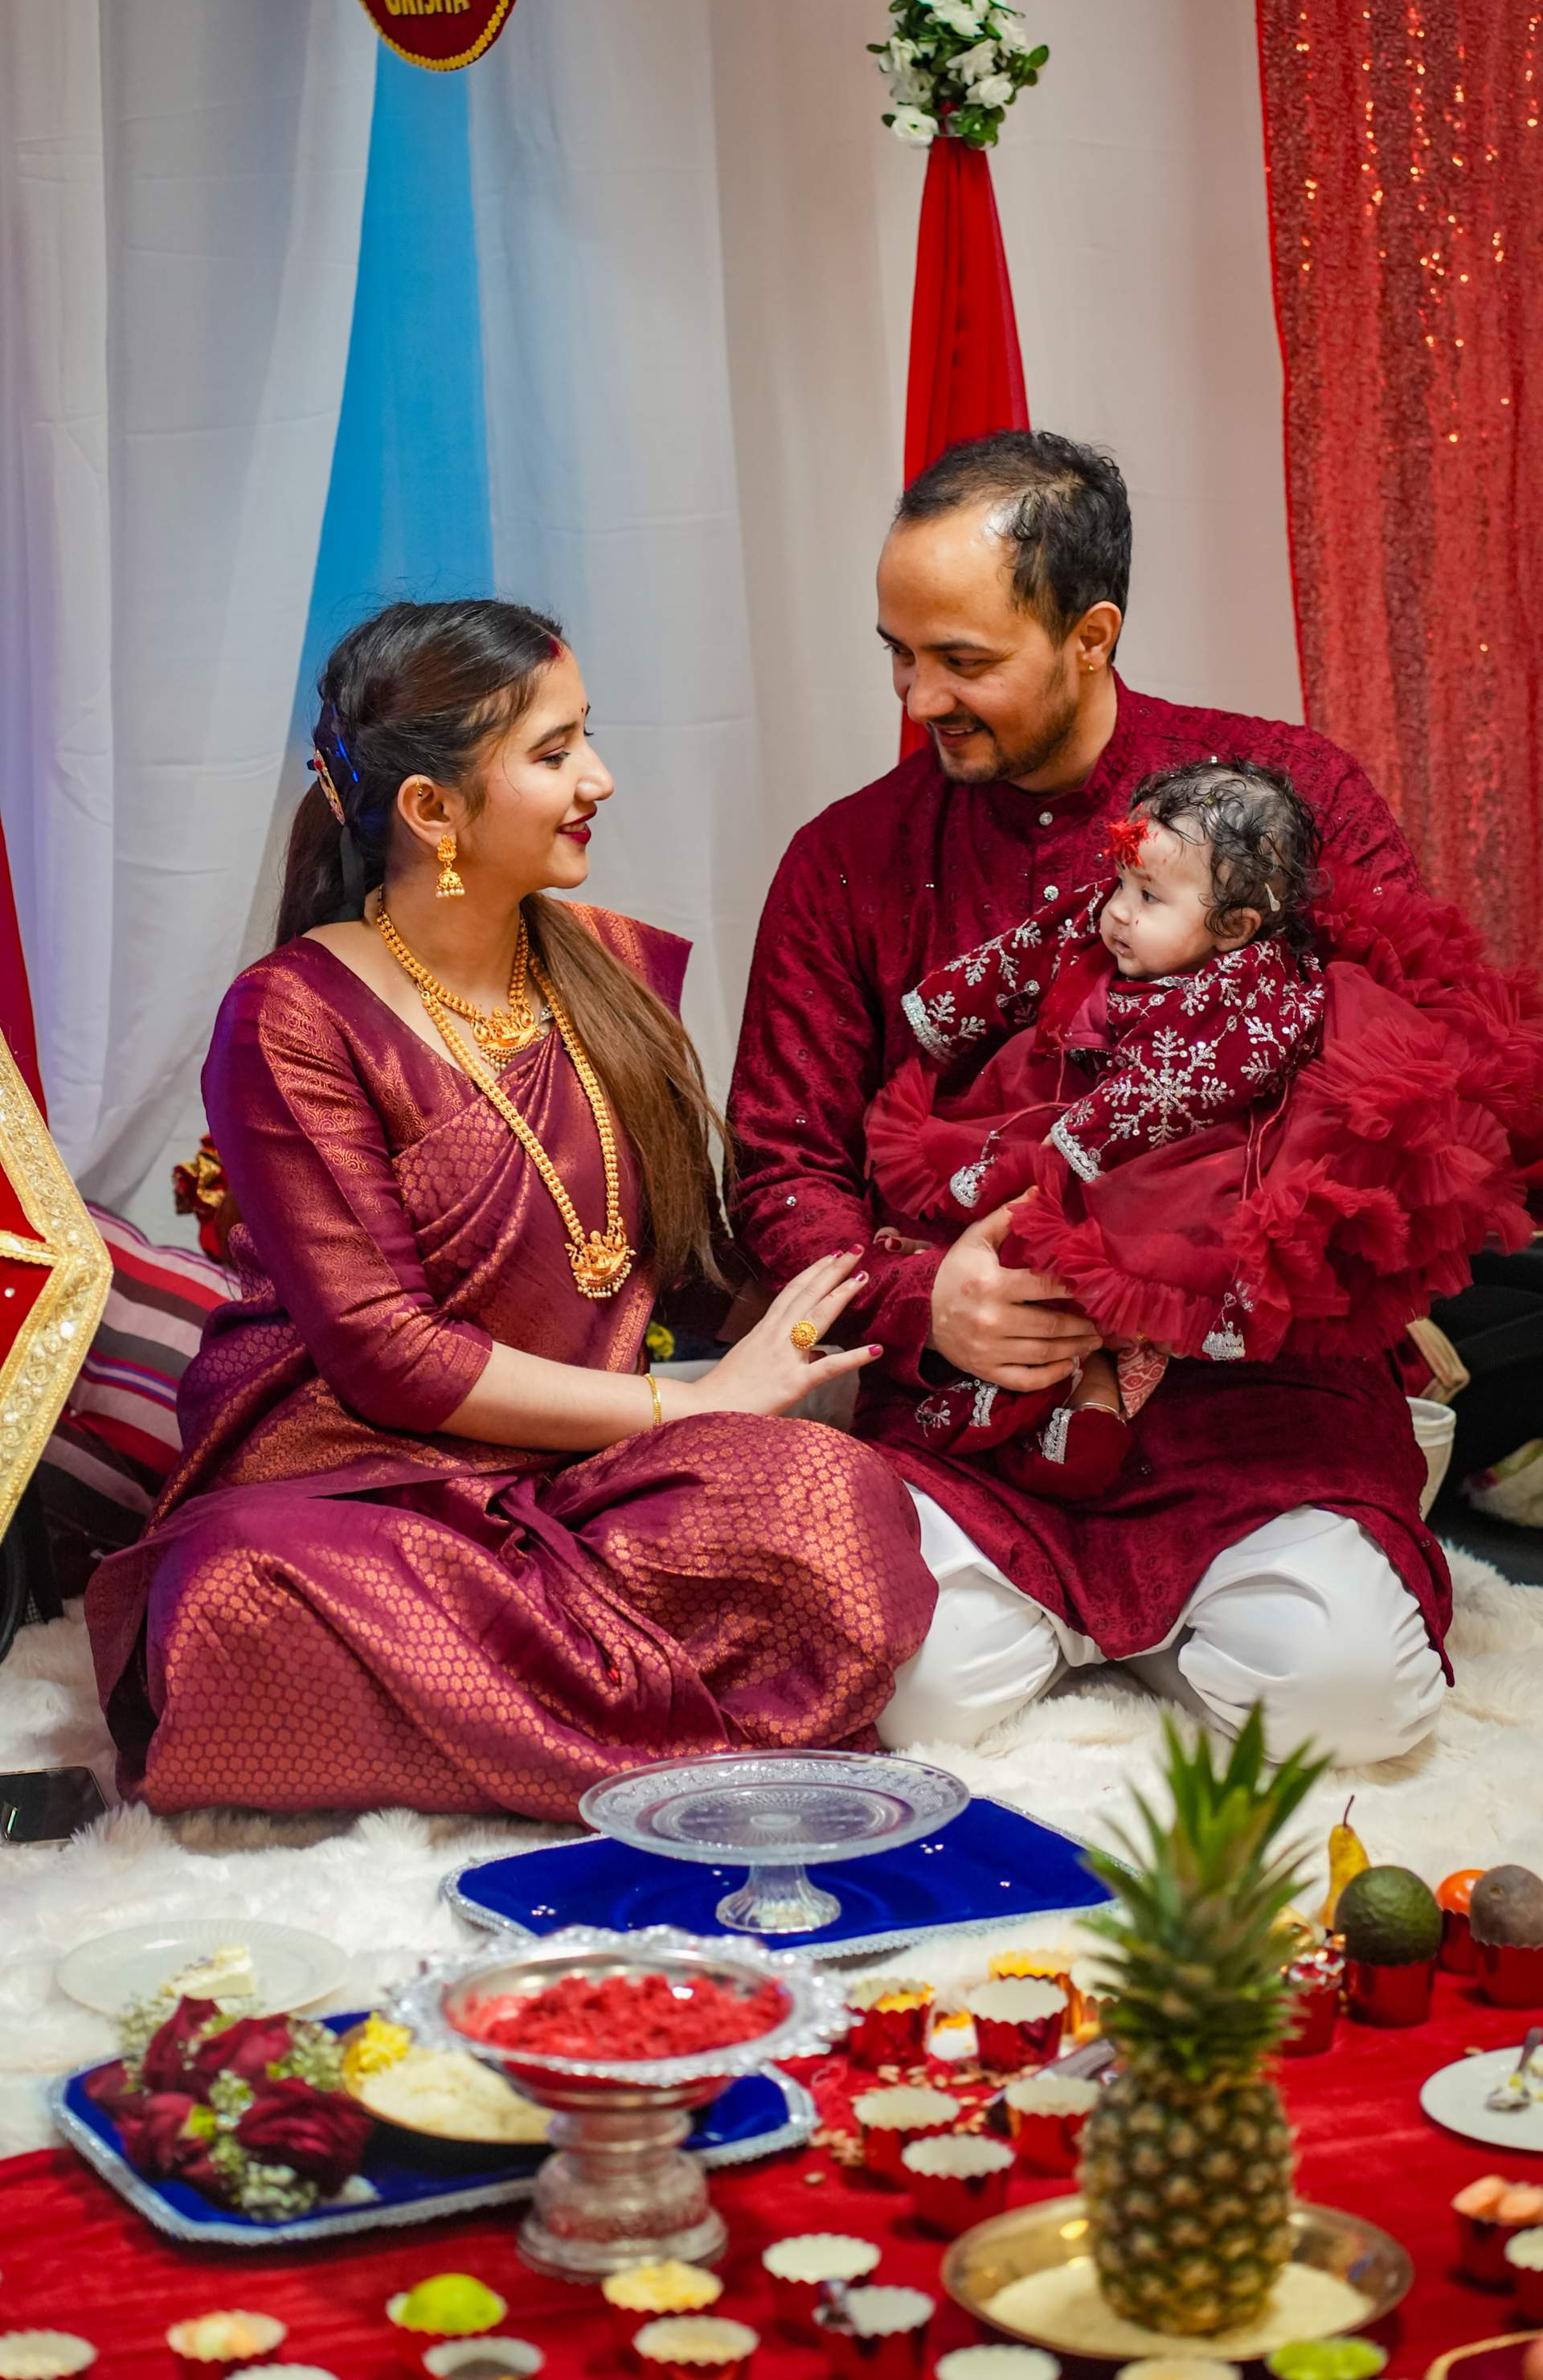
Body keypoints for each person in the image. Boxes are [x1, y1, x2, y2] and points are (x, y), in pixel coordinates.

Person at [728, 430, 1540, 1768]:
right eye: (900, 651)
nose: (919, 696)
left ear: (1091, 634)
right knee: (902, 1702)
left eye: (965, 662)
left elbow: (1426, 1059)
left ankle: (1187, 1616)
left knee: (1352, 1708)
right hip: (977, 1417)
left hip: (1258, 1407)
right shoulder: (844, 863)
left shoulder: (1289, 797)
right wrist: (933, 1301)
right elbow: (778, 1171)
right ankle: (1093, 1620)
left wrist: (1231, 1236)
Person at [86, 600, 935, 1818]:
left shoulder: (605, 963)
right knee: (230, 1592)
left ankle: (493, 1729)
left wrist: (894, 1274)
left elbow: (677, 1263)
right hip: (365, 1484)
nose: (598, 778)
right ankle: (661, 1742)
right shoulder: (291, 1015)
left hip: (591, 1478)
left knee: (836, 1499)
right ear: (431, 809)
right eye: (552, 753)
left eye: (585, 737)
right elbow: (389, 1359)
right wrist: (687, 1399)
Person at [863, 757, 1536, 1493]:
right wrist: (950, 1011)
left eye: (1147, 896)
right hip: (1070, 1098)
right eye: (1120, 882)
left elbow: (1191, 1080)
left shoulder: (1261, 991)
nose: (1117, 911)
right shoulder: (1113, 927)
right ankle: (1041, 1383)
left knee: (1122, 1277)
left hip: (1171, 1152)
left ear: (1234, 926)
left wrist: (1086, 1140)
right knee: (1008, 1218)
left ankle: (1093, 1402)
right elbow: (1033, 948)